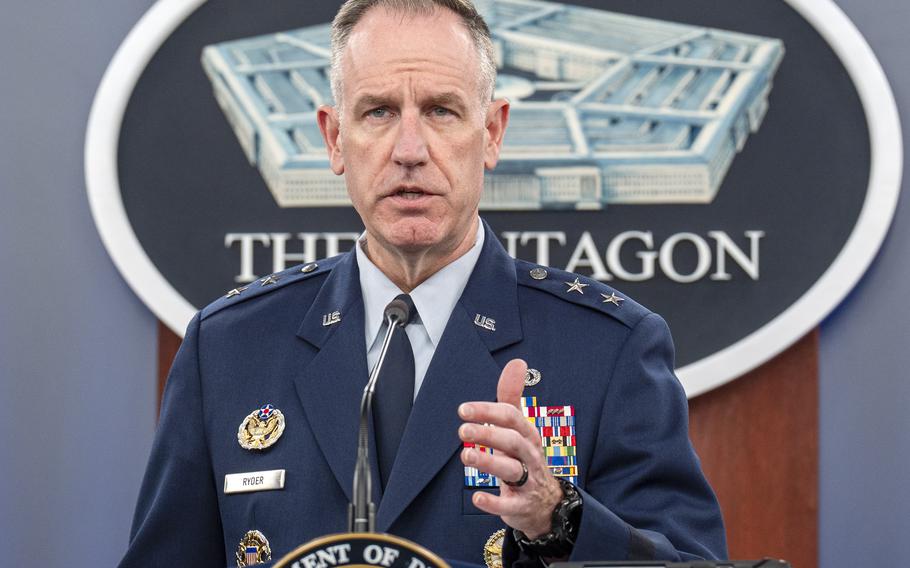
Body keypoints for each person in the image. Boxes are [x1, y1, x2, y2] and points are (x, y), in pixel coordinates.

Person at [120, 1, 726, 566]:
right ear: (334, 138)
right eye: (379, 111)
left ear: (491, 133)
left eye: (440, 110)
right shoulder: (229, 347)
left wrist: (557, 516)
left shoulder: (608, 348)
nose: (409, 150)